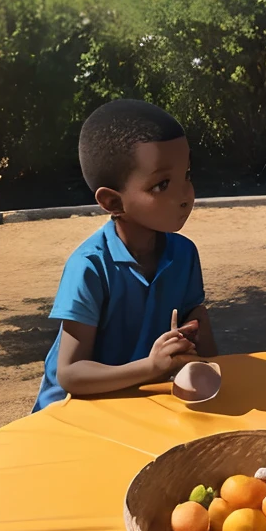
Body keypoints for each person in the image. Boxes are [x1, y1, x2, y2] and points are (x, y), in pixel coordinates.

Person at [34, 98, 216, 410]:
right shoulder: (90, 266)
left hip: (139, 400)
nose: (184, 195)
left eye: (187, 174)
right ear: (113, 203)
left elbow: (195, 321)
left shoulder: (183, 253)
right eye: (162, 185)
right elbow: (71, 374)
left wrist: (203, 352)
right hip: (74, 413)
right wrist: (152, 366)